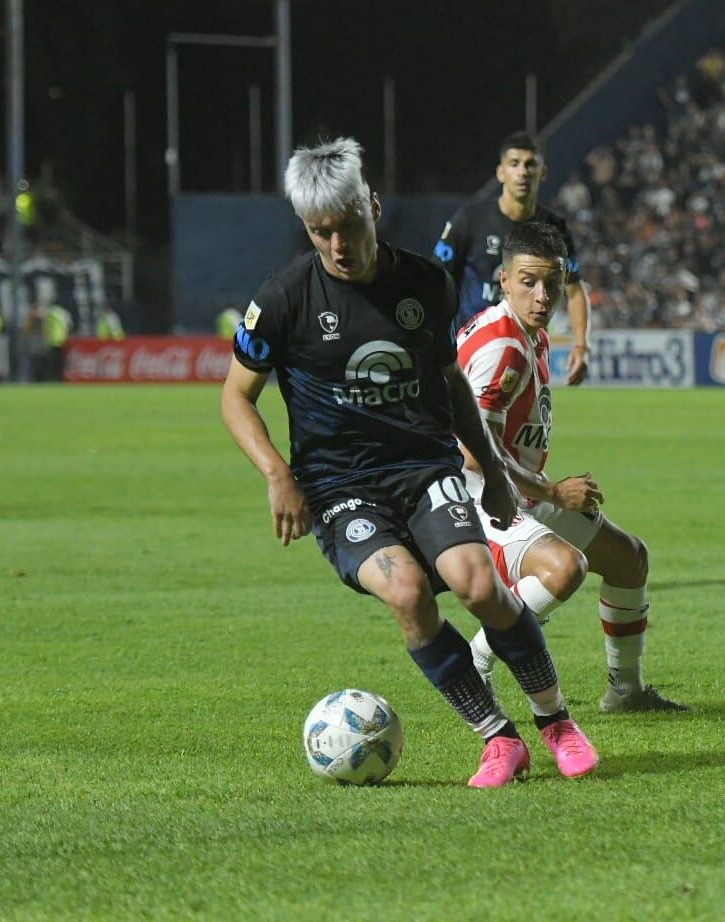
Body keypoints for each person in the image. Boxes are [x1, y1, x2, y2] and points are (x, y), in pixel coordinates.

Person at [220, 138, 598, 788]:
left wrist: (496, 474)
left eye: (348, 225)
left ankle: (556, 721)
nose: (337, 244)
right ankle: (498, 740)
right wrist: (278, 475)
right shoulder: (284, 300)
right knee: (406, 593)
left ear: (372, 205)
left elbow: (451, 389)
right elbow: (235, 395)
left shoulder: (425, 283)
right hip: (340, 488)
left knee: (480, 584)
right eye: (320, 232)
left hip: (424, 468)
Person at [456, 222, 687, 713]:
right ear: (504, 279)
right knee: (565, 570)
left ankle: (626, 692)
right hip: (477, 500)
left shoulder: (526, 332)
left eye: (552, 284)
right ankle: (473, 660)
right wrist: (553, 491)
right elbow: (473, 451)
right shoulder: (504, 349)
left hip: (515, 490)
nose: (542, 296)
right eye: (528, 282)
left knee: (628, 559)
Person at [434, 131, 591, 385]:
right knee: (478, 424)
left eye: (531, 164)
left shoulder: (554, 227)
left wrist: (582, 345)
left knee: (530, 426)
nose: (523, 172)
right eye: (514, 163)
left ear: (543, 172)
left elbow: (573, 290)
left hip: (529, 354)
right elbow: (437, 280)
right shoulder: (470, 220)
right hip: (476, 351)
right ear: (501, 172)